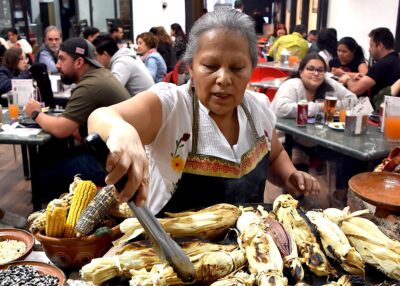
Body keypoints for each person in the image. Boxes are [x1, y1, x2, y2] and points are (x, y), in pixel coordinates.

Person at [87, 9, 319, 215]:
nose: (224, 79)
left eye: (237, 68)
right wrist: (121, 131)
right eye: (210, 66)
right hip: (175, 253)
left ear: (251, 70)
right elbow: (101, 116)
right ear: (190, 66)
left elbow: (275, 155)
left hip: (249, 250)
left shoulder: (258, 108)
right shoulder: (173, 106)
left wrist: (290, 175)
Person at [25, 37, 130, 200]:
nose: (57, 65)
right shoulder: (100, 75)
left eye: (61, 59)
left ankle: (55, 218)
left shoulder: (90, 85)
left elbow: (61, 129)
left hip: (115, 163)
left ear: (79, 62)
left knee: (45, 171)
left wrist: (35, 113)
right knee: (53, 156)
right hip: (119, 153)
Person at [271, 53, 358, 207]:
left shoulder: (328, 83)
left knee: (350, 154)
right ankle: (292, 207)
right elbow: (281, 109)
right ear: (301, 71)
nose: (316, 73)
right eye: (310, 69)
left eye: (320, 70)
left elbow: (352, 99)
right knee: (299, 180)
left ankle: (340, 196)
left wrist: (332, 105)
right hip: (288, 141)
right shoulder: (293, 85)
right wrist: (318, 107)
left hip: (318, 139)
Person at [341, 27, 400, 103]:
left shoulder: (381, 65)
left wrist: (347, 79)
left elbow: (355, 89)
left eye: (371, 45)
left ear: (380, 46)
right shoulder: (396, 60)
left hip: (379, 111)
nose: (369, 49)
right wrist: (365, 77)